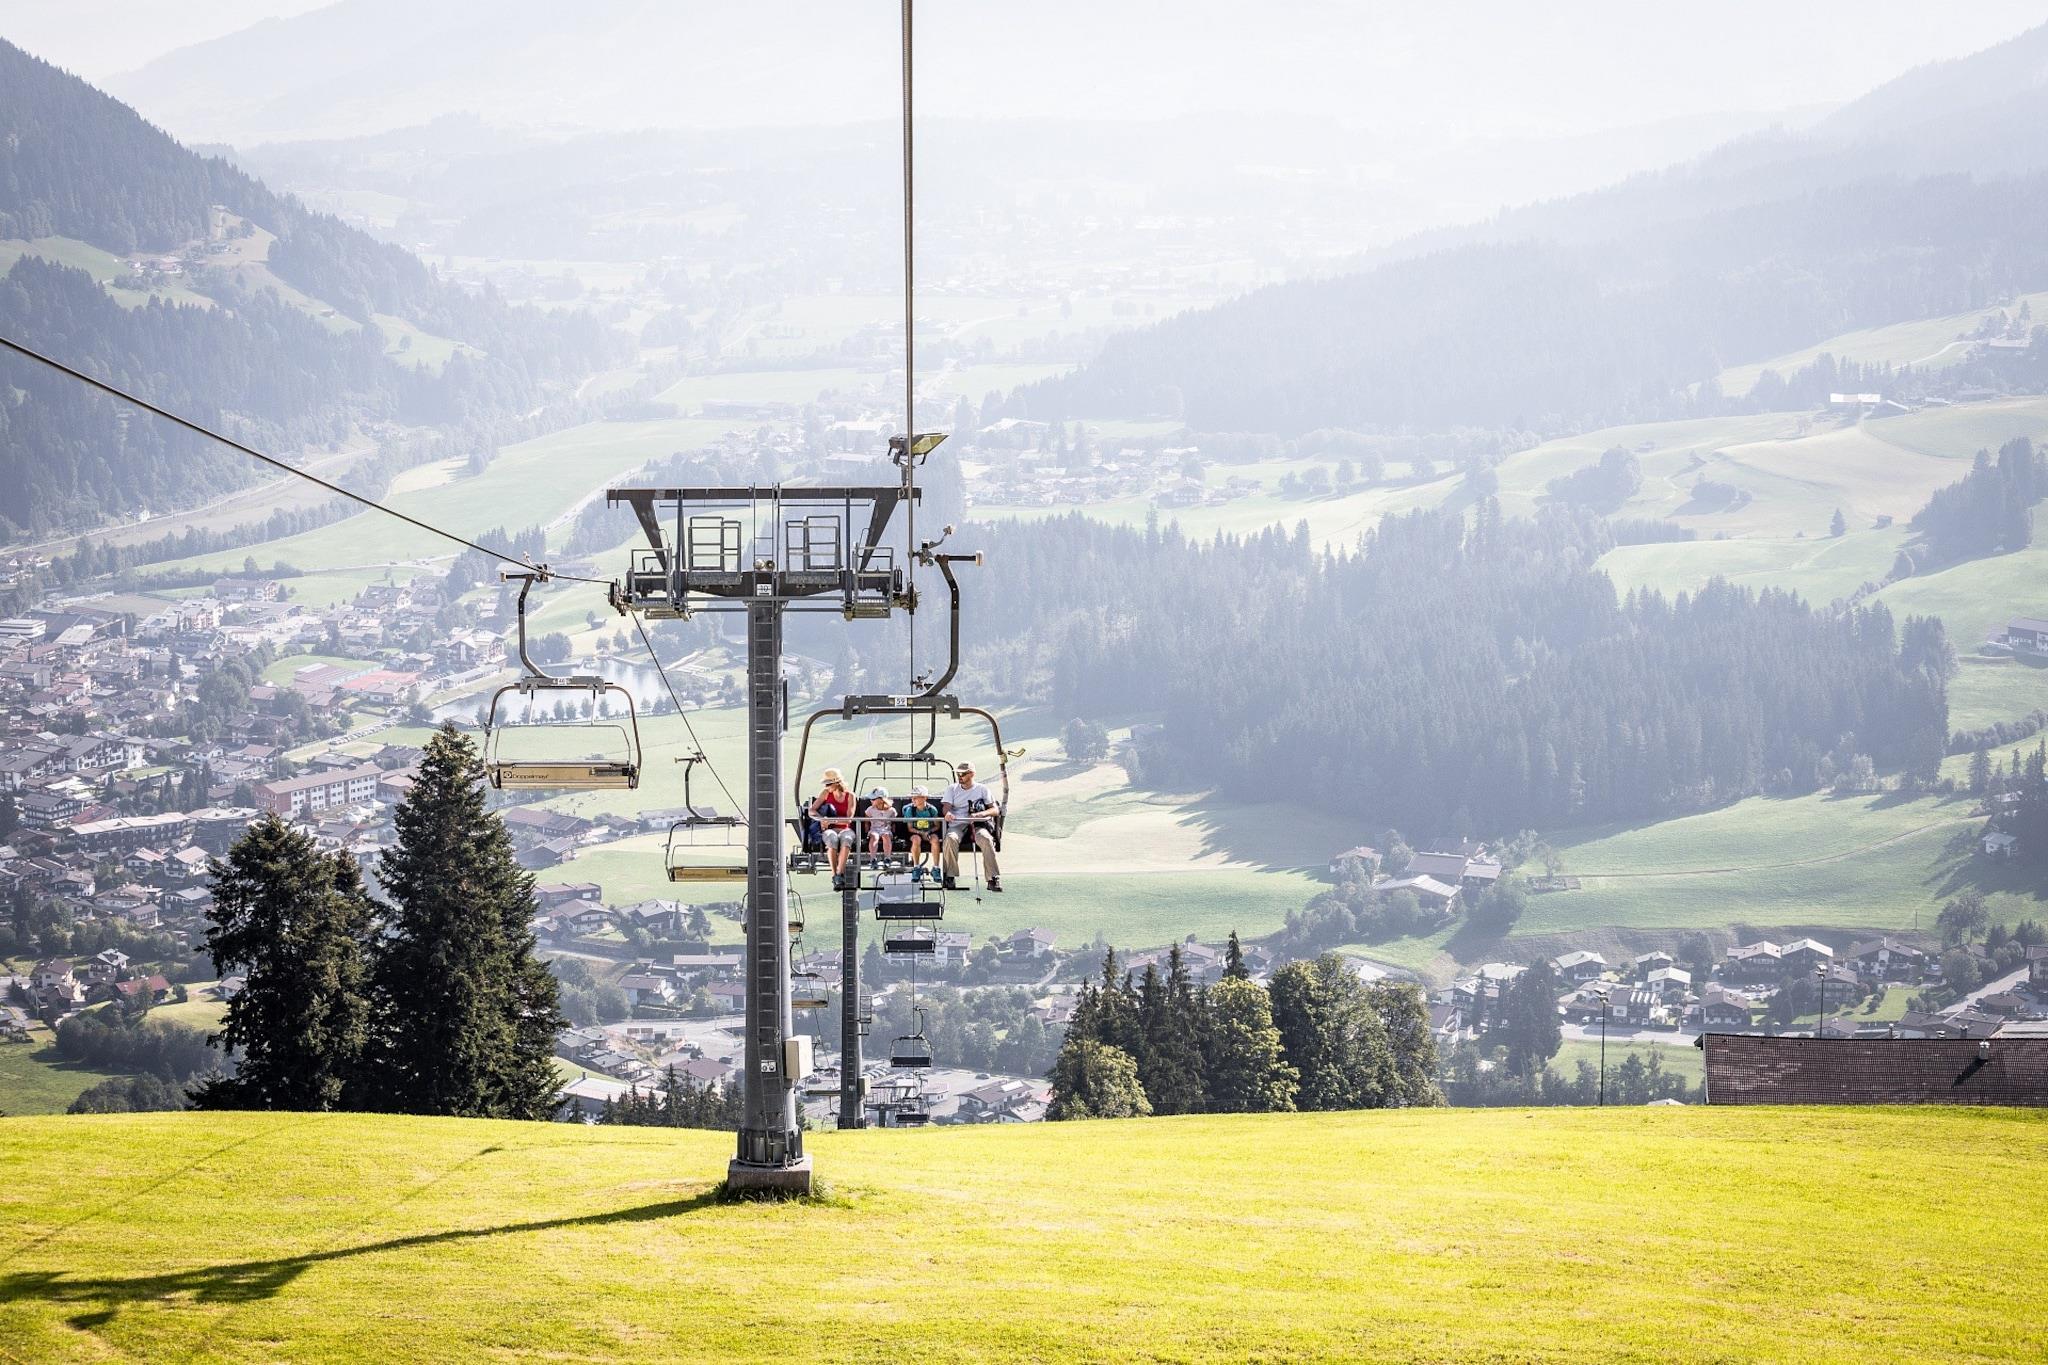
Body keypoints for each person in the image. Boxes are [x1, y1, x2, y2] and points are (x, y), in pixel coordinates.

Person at [940, 761, 1002, 892]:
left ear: (972, 774)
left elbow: (995, 810)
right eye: (958, 774)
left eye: (963, 774)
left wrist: (981, 814)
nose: (959, 776)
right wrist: (948, 814)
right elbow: (946, 807)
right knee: (950, 838)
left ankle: (992, 878)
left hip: (977, 824)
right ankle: (950, 876)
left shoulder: (982, 789)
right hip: (958, 823)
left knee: (986, 839)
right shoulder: (952, 789)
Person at [808, 768, 856, 887]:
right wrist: (821, 819)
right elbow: (812, 810)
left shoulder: (850, 796)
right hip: (830, 829)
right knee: (832, 838)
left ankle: (840, 873)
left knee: (847, 839)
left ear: (836, 783)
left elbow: (849, 819)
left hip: (845, 828)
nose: (826, 786)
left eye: (828, 784)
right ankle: (835, 875)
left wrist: (830, 821)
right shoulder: (825, 793)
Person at [901, 785, 942, 880]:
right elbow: (910, 828)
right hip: (915, 833)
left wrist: (928, 832)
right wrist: (921, 833)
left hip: (929, 832)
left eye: (916, 797)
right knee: (916, 840)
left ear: (924, 798)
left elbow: (937, 826)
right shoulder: (910, 810)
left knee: (935, 840)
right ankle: (916, 867)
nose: (913, 800)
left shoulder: (932, 810)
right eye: (912, 797)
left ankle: (936, 868)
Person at [864, 786, 897, 857]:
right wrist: (866, 832)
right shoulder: (870, 809)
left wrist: (894, 833)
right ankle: (873, 858)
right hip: (874, 829)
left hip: (886, 830)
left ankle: (887, 857)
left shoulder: (891, 810)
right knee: (874, 837)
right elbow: (866, 822)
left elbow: (893, 822)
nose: (871, 800)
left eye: (873, 799)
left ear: (882, 800)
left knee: (886, 836)